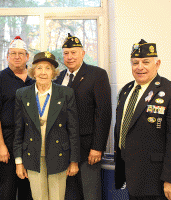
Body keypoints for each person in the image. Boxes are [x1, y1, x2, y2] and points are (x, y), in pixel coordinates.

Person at [14, 51, 80, 200]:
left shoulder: (66, 93)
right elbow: (19, 130)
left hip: (59, 156)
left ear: (54, 72)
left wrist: (74, 161)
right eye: (39, 68)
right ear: (33, 71)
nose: (43, 72)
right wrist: (19, 162)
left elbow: (73, 130)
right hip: (33, 156)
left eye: (48, 68)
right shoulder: (22, 94)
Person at [54, 33, 112, 200]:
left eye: (73, 52)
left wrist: (98, 147)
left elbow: (103, 112)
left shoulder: (97, 74)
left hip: (88, 149)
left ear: (82, 53)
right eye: (66, 53)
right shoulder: (58, 78)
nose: (70, 57)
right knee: (69, 195)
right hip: (63, 150)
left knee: (90, 194)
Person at [114, 39, 171, 200]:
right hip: (131, 173)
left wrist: (169, 179)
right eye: (135, 62)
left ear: (157, 63)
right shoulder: (126, 90)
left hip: (156, 178)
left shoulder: (168, 91)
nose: (140, 67)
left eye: (146, 62)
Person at [0, 36, 34, 200]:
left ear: (27, 57)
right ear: (7, 56)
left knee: (28, 192)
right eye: (13, 53)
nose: (17, 57)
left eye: (21, 53)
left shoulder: (35, 80)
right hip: (7, 140)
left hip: (31, 143)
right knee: (7, 191)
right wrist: (0, 145)